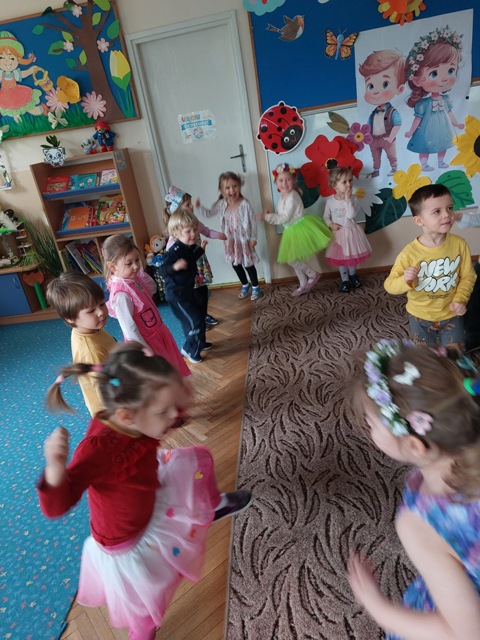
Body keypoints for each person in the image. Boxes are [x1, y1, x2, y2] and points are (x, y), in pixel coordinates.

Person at [37, 342, 252, 640]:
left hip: (149, 490)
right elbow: (55, 507)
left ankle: (210, 506)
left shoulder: (138, 414)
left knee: (198, 458)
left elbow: (166, 410)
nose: (173, 416)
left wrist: (176, 397)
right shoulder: (98, 449)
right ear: (127, 417)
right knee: (147, 611)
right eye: (164, 411)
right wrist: (55, 468)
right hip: (126, 543)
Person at [348, 338, 480, 640]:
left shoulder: (421, 522)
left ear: (415, 446)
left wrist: (377, 606)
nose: (369, 430)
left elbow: (467, 634)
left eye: (371, 425)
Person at [384, 184, 475, 349]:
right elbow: (389, 285)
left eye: (450, 208)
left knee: (454, 356)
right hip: (420, 317)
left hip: (452, 313)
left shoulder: (459, 244)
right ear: (419, 220)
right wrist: (404, 280)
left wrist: (460, 299)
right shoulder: (409, 253)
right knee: (425, 357)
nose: (447, 214)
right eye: (437, 211)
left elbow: (468, 276)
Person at [103, 234, 190, 377]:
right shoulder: (121, 295)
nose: (136, 266)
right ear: (113, 266)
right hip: (146, 344)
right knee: (161, 377)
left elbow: (151, 289)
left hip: (158, 334)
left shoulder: (133, 278)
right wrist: (145, 350)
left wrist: (140, 274)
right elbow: (129, 329)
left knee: (172, 370)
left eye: (137, 260)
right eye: (129, 263)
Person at [46, 272, 116, 416]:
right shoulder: (91, 351)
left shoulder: (88, 329)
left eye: (102, 304)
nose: (101, 312)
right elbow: (105, 393)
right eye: (91, 310)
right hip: (112, 410)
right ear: (70, 317)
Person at [259, 163, 332, 297]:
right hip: (291, 230)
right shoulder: (283, 197)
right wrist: (272, 214)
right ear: (276, 183)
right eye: (281, 180)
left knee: (291, 259)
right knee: (294, 260)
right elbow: (282, 214)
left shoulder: (292, 197)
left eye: (288, 179)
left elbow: (284, 218)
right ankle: (303, 286)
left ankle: (312, 274)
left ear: (293, 181)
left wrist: (267, 217)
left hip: (298, 229)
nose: (284, 183)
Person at [163, 185, 226, 330]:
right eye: (187, 204)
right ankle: (198, 318)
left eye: (190, 203)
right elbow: (170, 253)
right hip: (188, 270)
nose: (191, 206)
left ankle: (203, 315)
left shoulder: (195, 222)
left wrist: (219, 235)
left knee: (203, 292)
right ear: (177, 210)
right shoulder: (176, 233)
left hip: (200, 265)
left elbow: (207, 232)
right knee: (194, 295)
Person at [404, 26, 465, 172]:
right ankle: (424, 163)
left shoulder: (446, 99)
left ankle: (441, 161)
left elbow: (450, 113)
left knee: (443, 143)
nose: (444, 78)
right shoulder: (423, 104)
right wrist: (411, 131)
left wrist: (456, 124)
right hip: (427, 129)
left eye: (450, 70)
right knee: (424, 145)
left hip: (443, 127)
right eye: (434, 73)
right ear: (417, 80)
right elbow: (417, 119)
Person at [195, 171, 262, 301]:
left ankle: (255, 287)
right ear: (222, 190)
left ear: (239, 186)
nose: (232, 190)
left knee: (248, 264)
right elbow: (209, 213)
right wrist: (199, 207)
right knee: (235, 264)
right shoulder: (221, 204)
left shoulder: (245, 204)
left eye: (235, 186)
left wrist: (253, 238)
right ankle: (245, 284)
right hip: (230, 241)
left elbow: (253, 221)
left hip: (244, 241)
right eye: (227, 187)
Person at [157, 209, 209, 364]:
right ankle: (190, 349)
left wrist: (200, 250)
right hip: (176, 295)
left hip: (187, 291)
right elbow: (162, 270)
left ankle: (199, 342)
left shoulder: (188, 247)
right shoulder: (174, 251)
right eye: (188, 231)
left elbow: (191, 259)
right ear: (175, 233)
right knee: (194, 321)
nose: (193, 234)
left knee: (199, 316)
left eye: (195, 229)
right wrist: (175, 267)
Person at [323, 166, 372, 293]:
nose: (349, 184)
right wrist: (330, 224)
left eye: (350, 180)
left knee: (351, 257)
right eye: (344, 182)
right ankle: (344, 280)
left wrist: (347, 200)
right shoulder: (330, 201)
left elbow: (351, 215)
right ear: (335, 185)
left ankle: (353, 275)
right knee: (341, 259)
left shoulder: (354, 198)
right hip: (338, 236)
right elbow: (326, 216)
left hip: (351, 234)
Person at [358, 49, 406, 178]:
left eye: (385, 84)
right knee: (375, 156)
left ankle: (394, 168)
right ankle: (376, 170)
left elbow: (397, 124)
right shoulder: (373, 113)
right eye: (371, 86)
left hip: (387, 138)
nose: (376, 91)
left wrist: (390, 138)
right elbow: (368, 126)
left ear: (400, 88)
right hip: (374, 139)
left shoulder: (392, 112)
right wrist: (367, 137)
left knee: (391, 154)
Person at [0, 30, 44, 122]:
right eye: (2, 58)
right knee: (11, 108)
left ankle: (36, 110)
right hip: (5, 95)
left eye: (11, 58)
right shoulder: (1, 74)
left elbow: (23, 74)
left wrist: (30, 71)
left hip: (16, 92)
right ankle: (17, 118)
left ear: (18, 59)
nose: (7, 61)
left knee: (25, 103)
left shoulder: (15, 73)